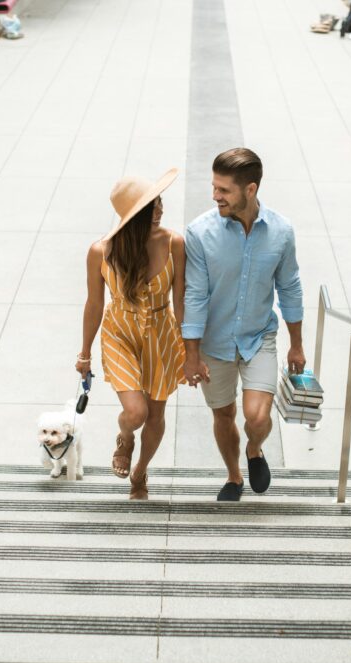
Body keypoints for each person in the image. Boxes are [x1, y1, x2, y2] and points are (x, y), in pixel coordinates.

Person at [181, 149, 305, 502]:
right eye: (214, 187)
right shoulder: (200, 233)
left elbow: (290, 287)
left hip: (258, 337)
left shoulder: (281, 231)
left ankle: (254, 448)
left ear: (250, 190)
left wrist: (296, 344)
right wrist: (191, 354)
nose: (215, 196)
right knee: (223, 413)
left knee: (256, 415)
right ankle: (234, 476)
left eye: (224, 190)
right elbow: (195, 296)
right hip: (214, 343)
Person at [76, 168, 186, 501]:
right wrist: (84, 354)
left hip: (161, 333)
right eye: (150, 207)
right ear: (131, 216)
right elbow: (94, 304)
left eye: (160, 202)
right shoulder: (101, 251)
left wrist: (193, 351)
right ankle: (125, 436)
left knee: (156, 415)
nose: (160, 211)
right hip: (120, 333)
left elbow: (181, 301)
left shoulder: (174, 243)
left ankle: (140, 472)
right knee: (136, 413)